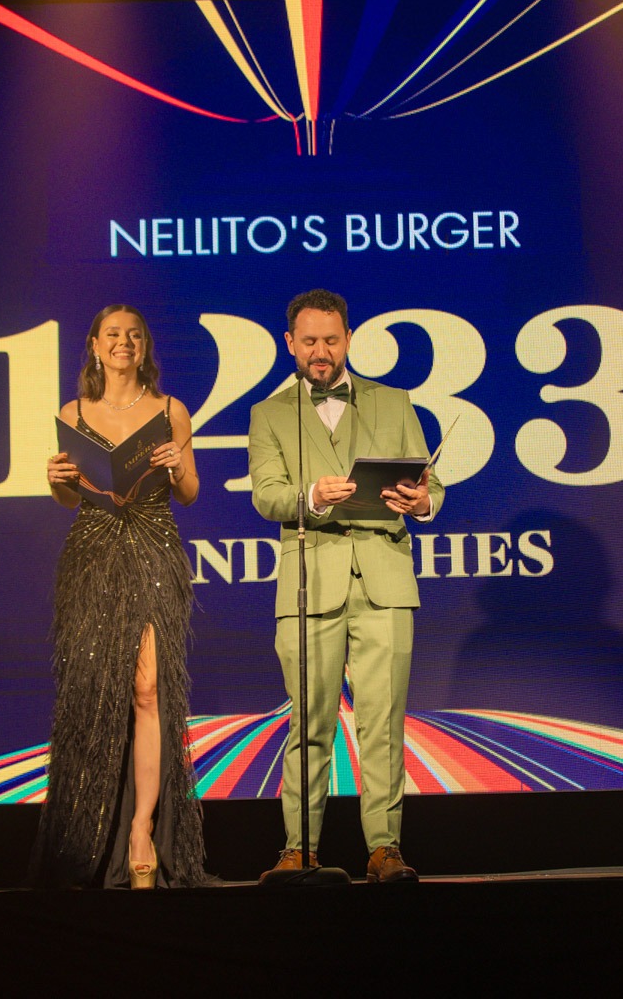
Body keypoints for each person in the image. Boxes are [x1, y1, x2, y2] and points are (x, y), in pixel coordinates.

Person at [247, 289, 444, 883]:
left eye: (331, 340)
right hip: (311, 581)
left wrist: (421, 501)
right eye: (309, 341)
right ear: (290, 343)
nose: (321, 351)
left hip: (385, 578)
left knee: (382, 723)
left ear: (349, 339)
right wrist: (310, 497)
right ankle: (299, 847)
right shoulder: (270, 414)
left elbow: (431, 484)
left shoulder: (393, 401)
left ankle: (384, 848)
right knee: (309, 724)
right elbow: (267, 495)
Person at [31, 304, 207, 889]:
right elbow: (68, 500)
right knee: (94, 693)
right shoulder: (74, 413)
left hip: (153, 549)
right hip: (93, 554)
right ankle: (87, 836)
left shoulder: (169, 410)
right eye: (113, 334)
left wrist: (177, 465)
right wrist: (57, 481)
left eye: (133, 334)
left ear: (144, 346)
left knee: (148, 688)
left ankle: (141, 828)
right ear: (95, 345)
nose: (123, 342)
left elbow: (189, 492)